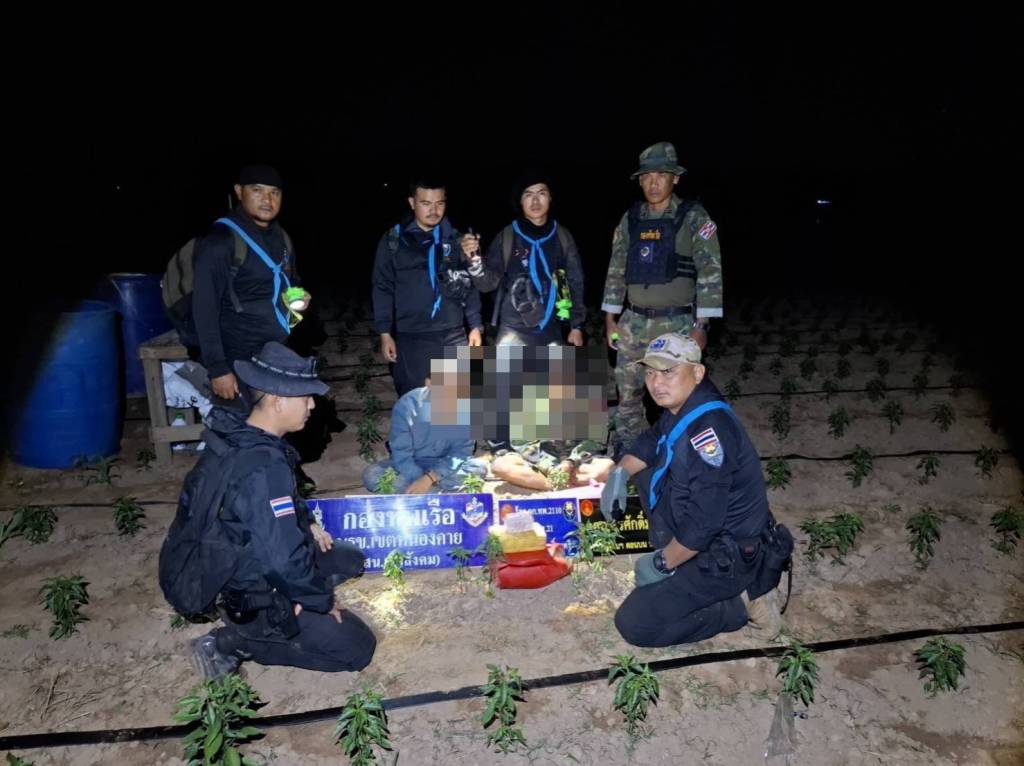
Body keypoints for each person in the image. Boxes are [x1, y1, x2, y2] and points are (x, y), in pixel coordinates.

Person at [190, 342, 376, 677]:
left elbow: (274, 509)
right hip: (249, 585)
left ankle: (296, 600)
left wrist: (307, 522)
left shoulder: (249, 436)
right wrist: (318, 601)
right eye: (305, 397)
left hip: (247, 556)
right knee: (358, 648)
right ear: (278, 401)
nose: (312, 405)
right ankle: (232, 641)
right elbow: (280, 558)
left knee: (348, 559)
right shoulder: (262, 466)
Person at [602, 333, 792, 647]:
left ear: (698, 372)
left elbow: (705, 523)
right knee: (645, 472)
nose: (656, 383)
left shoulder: (709, 433)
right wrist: (619, 474)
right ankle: (679, 558)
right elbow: (653, 439)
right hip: (705, 531)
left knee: (635, 623)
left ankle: (741, 602)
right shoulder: (684, 404)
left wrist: (662, 563)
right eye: (650, 372)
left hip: (725, 552)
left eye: (668, 371)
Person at [601, 142, 723, 455]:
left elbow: (710, 271)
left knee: (677, 396)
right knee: (628, 393)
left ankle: (680, 451)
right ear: (639, 181)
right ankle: (631, 450)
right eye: (647, 176)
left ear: (675, 178)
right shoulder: (630, 219)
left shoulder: (693, 216)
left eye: (661, 175)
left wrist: (702, 326)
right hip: (633, 322)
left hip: (677, 324)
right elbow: (616, 268)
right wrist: (610, 319)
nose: (653, 183)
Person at [192, 164, 310, 408]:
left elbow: (292, 282)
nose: (267, 199)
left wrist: (298, 297)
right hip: (237, 358)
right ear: (239, 191)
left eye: (274, 192)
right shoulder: (220, 241)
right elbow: (204, 308)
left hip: (275, 351)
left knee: (277, 422)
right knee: (241, 425)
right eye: (257, 190)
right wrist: (218, 369)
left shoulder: (282, 237)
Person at [372, 179, 483, 396]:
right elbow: (382, 287)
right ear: (412, 202)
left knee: (458, 403)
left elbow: (469, 284)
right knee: (417, 403)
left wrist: (475, 325)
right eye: (426, 203)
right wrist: (385, 333)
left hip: (453, 335)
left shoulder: (457, 240)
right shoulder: (393, 241)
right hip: (412, 336)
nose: (434, 210)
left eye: (440, 203)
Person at [464, 172, 585, 347]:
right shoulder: (506, 237)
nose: (535, 201)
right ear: (520, 201)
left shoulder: (563, 236)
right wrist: (473, 259)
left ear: (550, 197)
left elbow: (575, 281)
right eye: (528, 195)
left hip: (553, 329)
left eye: (541, 193)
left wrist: (576, 325)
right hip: (513, 332)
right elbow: (486, 285)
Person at [362, 376, 488, 494]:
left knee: (478, 468)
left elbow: (461, 452)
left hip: (444, 464)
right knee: (372, 475)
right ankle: (437, 492)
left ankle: (422, 492)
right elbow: (401, 452)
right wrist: (418, 478)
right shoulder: (407, 405)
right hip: (411, 463)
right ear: (429, 383)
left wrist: (429, 478)